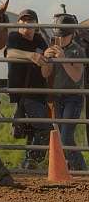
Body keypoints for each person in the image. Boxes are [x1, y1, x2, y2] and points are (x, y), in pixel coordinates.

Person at [5, 9, 50, 169]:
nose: (26, 24)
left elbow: (46, 61)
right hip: (25, 91)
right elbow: (10, 54)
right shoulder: (14, 37)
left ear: (36, 25)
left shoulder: (39, 39)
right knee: (45, 128)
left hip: (38, 90)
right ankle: (31, 161)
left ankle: (27, 163)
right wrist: (31, 56)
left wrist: (48, 57)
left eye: (30, 21)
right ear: (18, 24)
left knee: (33, 131)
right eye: (23, 21)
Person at [43, 12, 86, 171]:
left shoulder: (77, 51)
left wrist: (62, 59)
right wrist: (45, 60)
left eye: (63, 36)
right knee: (61, 136)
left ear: (71, 35)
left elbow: (76, 77)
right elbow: (45, 74)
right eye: (57, 36)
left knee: (66, 137)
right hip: (58, 97)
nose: (59, 39)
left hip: (73, 97)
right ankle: (71, 169)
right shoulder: (54, 49)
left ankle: (81, 169)